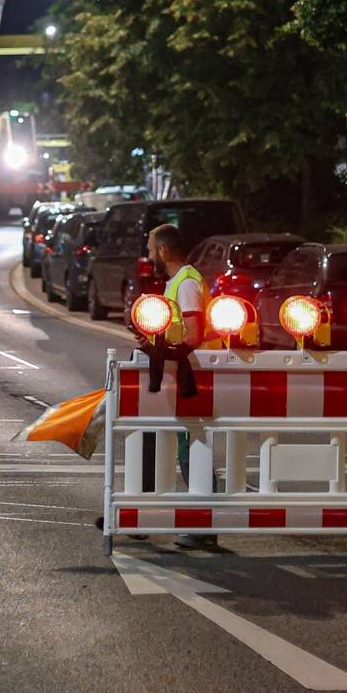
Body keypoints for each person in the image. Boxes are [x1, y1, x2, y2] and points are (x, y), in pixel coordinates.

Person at [149, 222, 215, 549]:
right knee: (190, 448)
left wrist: (169, 352)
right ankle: (205, 524)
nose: (149, 254)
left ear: (163, 250)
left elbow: (194, 334)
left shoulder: (186, 283)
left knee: (193, 450)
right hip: (183, 376)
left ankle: (203, 526)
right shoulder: (177, 282)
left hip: (194, 377)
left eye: (151, 248)